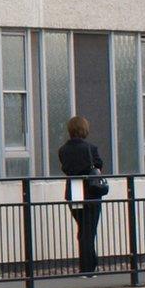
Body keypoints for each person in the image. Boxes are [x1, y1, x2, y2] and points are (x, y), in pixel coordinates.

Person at [57, 115, 106, 276]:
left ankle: (87, 265)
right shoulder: (91, 148)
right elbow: (98, 166)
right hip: (91, 194)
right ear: (85, 129)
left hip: (73, 193)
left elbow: (66, 168)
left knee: (83, 230)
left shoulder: (63, 150)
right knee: (89, 231)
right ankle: (88, 269)